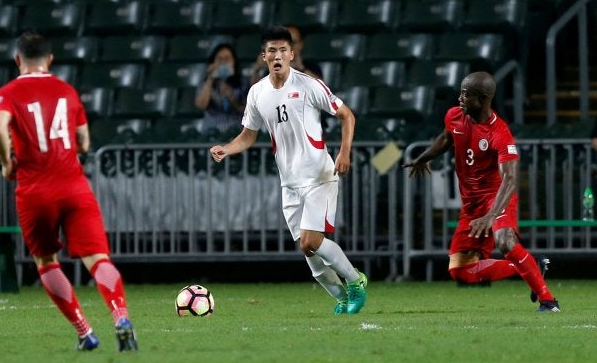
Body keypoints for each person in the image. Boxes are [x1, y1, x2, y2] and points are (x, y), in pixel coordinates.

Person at [0, 31, 138, 351]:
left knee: (46, 261)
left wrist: (5, 162)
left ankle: (85, 333)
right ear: (50, 59)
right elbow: (84, 141)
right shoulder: (67, 91)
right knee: (98, 258)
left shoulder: (7, 93)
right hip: (73, 187)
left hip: (35, 190)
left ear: (18, 60)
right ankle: (121, 317)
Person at [210, 26, 367, 315]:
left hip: (320, 175)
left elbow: (347, 115)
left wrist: (344, 152)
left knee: (312, 241)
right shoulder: (257, 93)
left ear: (292, 54)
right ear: (264, 56)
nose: (278, 55)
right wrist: (227, 148)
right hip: (290, 183)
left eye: (283, 50)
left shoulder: (309, 85)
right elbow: (248, 135)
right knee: (307, 250)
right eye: (272, 50)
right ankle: (341, 298)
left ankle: (356, 282)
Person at [403, 71, 560, 312]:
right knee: (460, 270)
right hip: (471, 205)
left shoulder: (499, 133)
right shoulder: (455, 116)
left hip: (496, 198)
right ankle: (531, 266)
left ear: (483, 98)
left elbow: (509, 179)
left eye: (466, 95)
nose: (460, 98)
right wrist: (423, 158)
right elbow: (446, 139)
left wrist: (491, 215)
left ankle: (548, 300)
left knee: (505, 241)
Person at [195, 43, 249, 134]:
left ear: (234, 62)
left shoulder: (243, 82)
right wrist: (210, 79)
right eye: (219, 59)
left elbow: (248, 111)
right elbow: (201, 105)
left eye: (227, 59)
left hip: (236, 132)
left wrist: (232, 99)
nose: (223, 62)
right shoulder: (206, 82)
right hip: (210, 132)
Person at [250, 25, 322, 85]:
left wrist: (301, 68)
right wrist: (257, 69)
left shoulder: (310, 66)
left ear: (300, 44)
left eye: (293, 43)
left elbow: (321, 88)